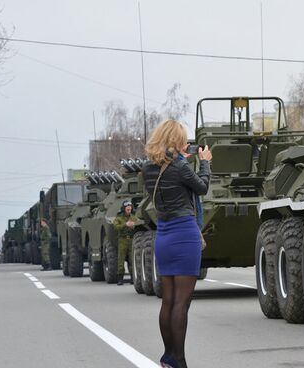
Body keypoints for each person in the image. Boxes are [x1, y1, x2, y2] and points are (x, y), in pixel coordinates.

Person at [142, 119, 212, 368]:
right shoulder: (180, 167)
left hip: (163, 235)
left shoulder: (148, 169)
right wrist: (204, 163)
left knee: (168, 301)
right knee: (182, 302)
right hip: (184, 235)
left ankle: (168, 356)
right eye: (183, 140)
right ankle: (179, 361)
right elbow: (202, 188)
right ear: (175, 141)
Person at [113, 200, 138, 285]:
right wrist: (125, 225)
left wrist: (134, 225)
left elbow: (139, 224)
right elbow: (116, 227)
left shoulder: (134, 217)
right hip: (122, 240)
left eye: (130, 207)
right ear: (124, 209)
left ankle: (132, 278)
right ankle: (120, 279)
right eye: (127, 208)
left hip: (131, 240)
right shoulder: (119, 218)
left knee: (132, 259)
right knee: (121, 259)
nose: (129, 209)